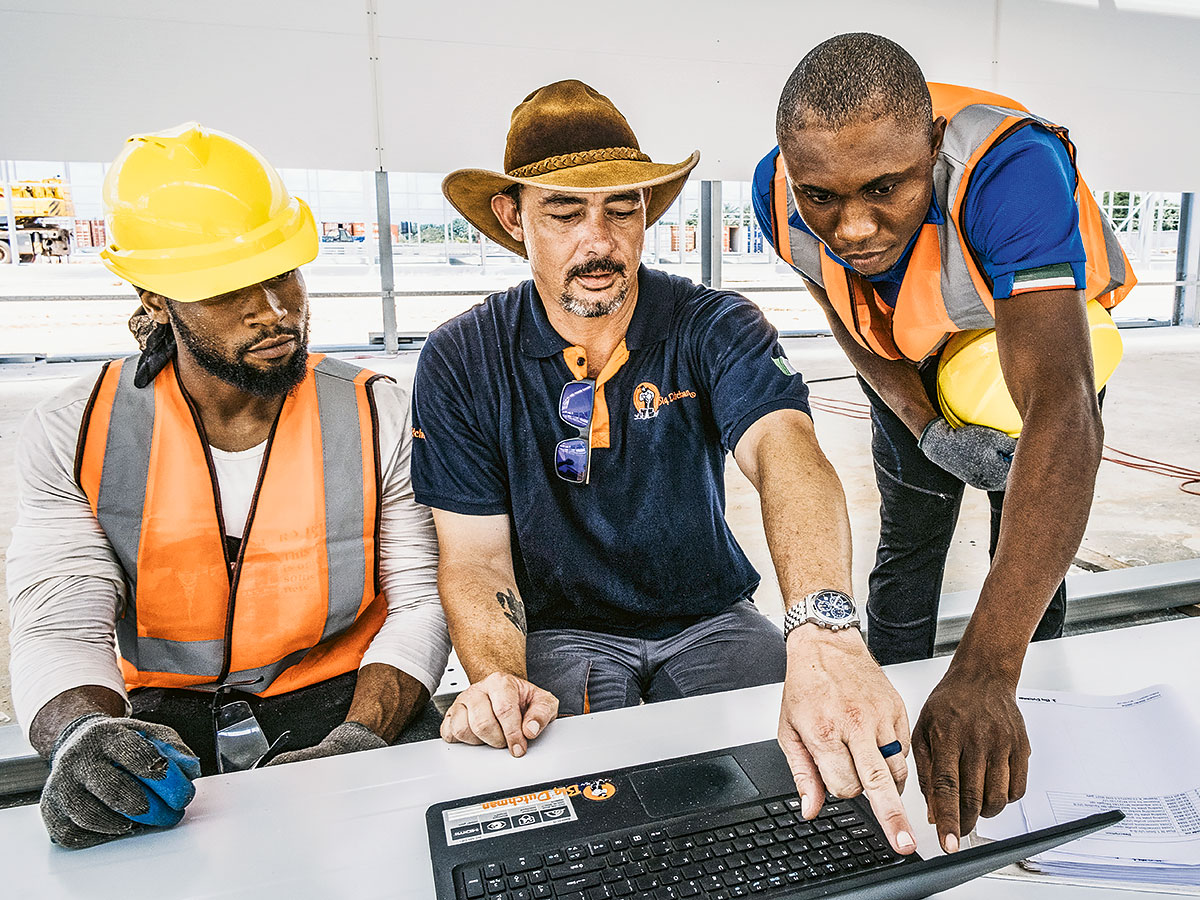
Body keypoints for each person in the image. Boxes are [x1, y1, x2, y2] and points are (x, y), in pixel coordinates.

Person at [411, 79, 920, 855]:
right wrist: (496, 677)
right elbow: (476, 558)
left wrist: (823, 628)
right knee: (577, 821)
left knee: (809, 792)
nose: (600, 240)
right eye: (564, 211)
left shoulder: (715, 324)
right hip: (562, 632)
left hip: (711, 619)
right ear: (514, 219)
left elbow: (788, 456)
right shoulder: (462, 357)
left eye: (623, 208)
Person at [6, 123, 450, 849]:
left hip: (344, 694)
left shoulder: (377, 410)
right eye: (225, 289)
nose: (273, 310)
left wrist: (360, 740)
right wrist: (82, 735)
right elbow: (59, 624)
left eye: (283, 273)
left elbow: (420, 597)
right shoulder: (77, 430)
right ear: (153, 297)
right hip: (158, 713)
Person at [752, 33, 1134, 852]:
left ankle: (1018, 699)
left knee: (1025, 539)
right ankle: (886, 722)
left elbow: (1064, 409)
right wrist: (925, 428)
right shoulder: (777, 193)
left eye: (886, 188)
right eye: (823, 195)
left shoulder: (1009, 167)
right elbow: (844, 310)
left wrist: (987, 668)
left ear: (930, 145)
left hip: (1034, 350)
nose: (853, 226)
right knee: (912, 534)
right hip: (911, 359)